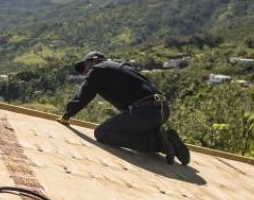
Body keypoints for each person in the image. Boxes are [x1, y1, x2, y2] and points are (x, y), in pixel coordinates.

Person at [58, 51, 190, 165]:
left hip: (146, 112)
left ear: (94, 60)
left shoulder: (99, 69)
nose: (85, 73)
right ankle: (165, 138)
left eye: (85, 67)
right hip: (162, 110)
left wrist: (67, 115)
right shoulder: (124, 67)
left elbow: (84, 95)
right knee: (126, 132)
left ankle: (158, 142)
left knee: (103, 133)